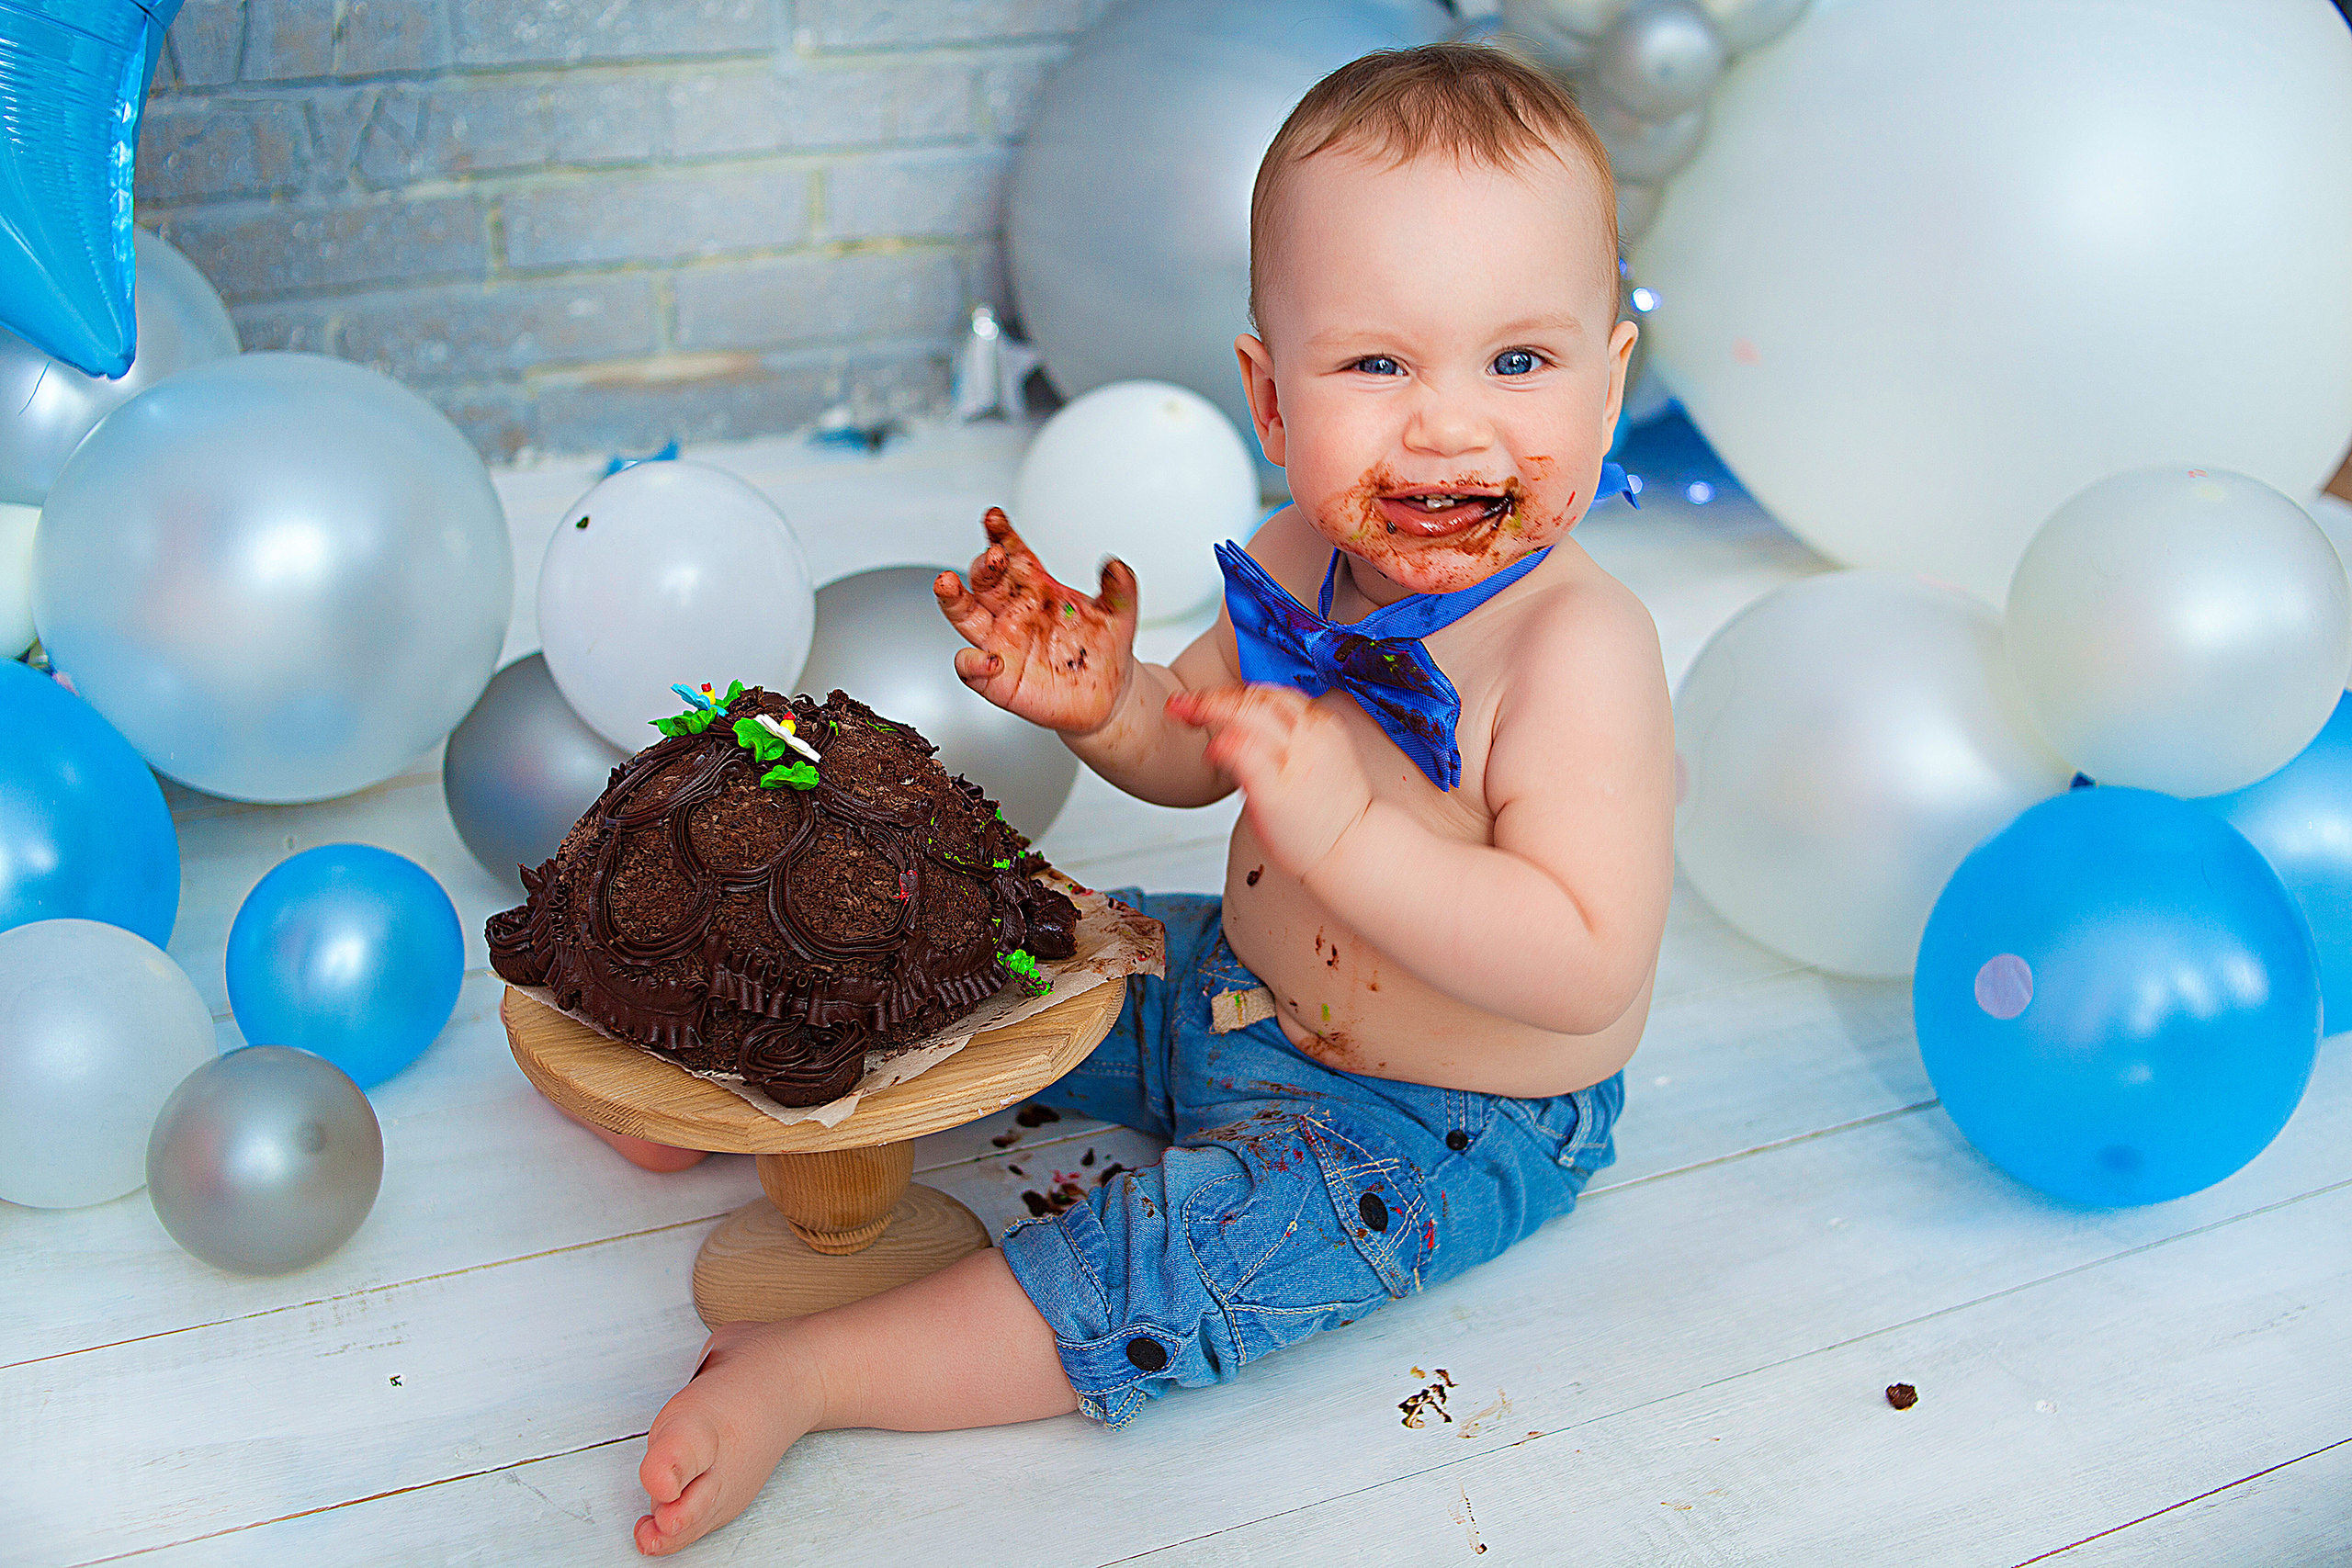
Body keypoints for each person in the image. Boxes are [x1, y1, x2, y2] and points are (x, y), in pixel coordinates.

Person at [630, 40, 1672, 1557]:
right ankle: (732, 1084)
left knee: (1176, 1266)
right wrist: (1108, 701)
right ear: (1267, 393)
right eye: (1377, 365)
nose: (1448, 425)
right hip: (1227, 988)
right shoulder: (1303, 559)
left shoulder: (1582, 651)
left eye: (1519, 362)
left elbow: (1584, 964)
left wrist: (1348, 833)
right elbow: (1195, 754)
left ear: (1608, 378)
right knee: (1008, 948)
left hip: (1434, 1120)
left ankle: (816, 1375)